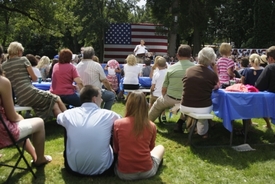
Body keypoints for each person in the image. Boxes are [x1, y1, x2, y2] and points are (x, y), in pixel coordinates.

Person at [57, 85, 120, 176]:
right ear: (94, 99)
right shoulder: (109, 115)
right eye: (100, 97)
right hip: (104, 168)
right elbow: (121, 124)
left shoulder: (69, 114)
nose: (101, 100)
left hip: (73, 168)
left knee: (66, 126)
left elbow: (59, 119)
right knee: (112, 129)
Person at [2, 41, 66, 120]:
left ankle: (62, 121)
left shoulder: (4, 66)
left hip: (20, 98)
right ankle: (68, 121)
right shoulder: (23, 60)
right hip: (30, 92)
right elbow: (34, 78)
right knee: (56, 98)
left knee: (54, 104)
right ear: (19, 51)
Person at [0, 71, 52, 166]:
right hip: (2, 134)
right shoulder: (2, 82)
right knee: (39, 122)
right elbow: (12, 116)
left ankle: (34, 155)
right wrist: (21, 118)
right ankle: (39, 159)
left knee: (18, 125)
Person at [113, 91, 165, 180]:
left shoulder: (118, 124)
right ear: (145, 106)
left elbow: (116, 149)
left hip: (124, 173)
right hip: (147, 171)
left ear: (128, 104)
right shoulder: (151, 125)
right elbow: (151, 148)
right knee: (161, 147)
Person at [148, 45, 194, 133]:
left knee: (157, 105)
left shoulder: (171, 68)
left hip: (171, 98)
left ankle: (146, 124)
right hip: (188, 101)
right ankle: (181, 123)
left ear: (177, 55)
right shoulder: (196, 68)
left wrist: (164, 97)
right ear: (190, 56)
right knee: (187, 106)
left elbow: (164, 89)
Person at [180, 47, 219, 138]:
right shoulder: (211, 74)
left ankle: (194, 128)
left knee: (200, 111)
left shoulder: (189, 70)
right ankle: (202, 132)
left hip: (185, 105)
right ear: (211, 60)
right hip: (203, 108)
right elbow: (217, 85)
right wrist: (215, 70)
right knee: (204, 114)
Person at [241, 53, 271, 129]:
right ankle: (268, 125)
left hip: (249, 94)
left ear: (250, 61)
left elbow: (242, 82)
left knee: (247, 108)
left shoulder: (246, 70)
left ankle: (249, 123)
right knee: (263, 109)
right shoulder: (264, 70)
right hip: (261, 94)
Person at [150, 56, 167, 122]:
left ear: (157, 65)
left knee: (151, 101)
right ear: (165, 64)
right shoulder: (168, 73)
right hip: (165, 94)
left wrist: (151, 91)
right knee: (163, 101)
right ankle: (163, 115)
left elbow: (153, 86)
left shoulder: (156, 73)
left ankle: (151, 114)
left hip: (156, 94)